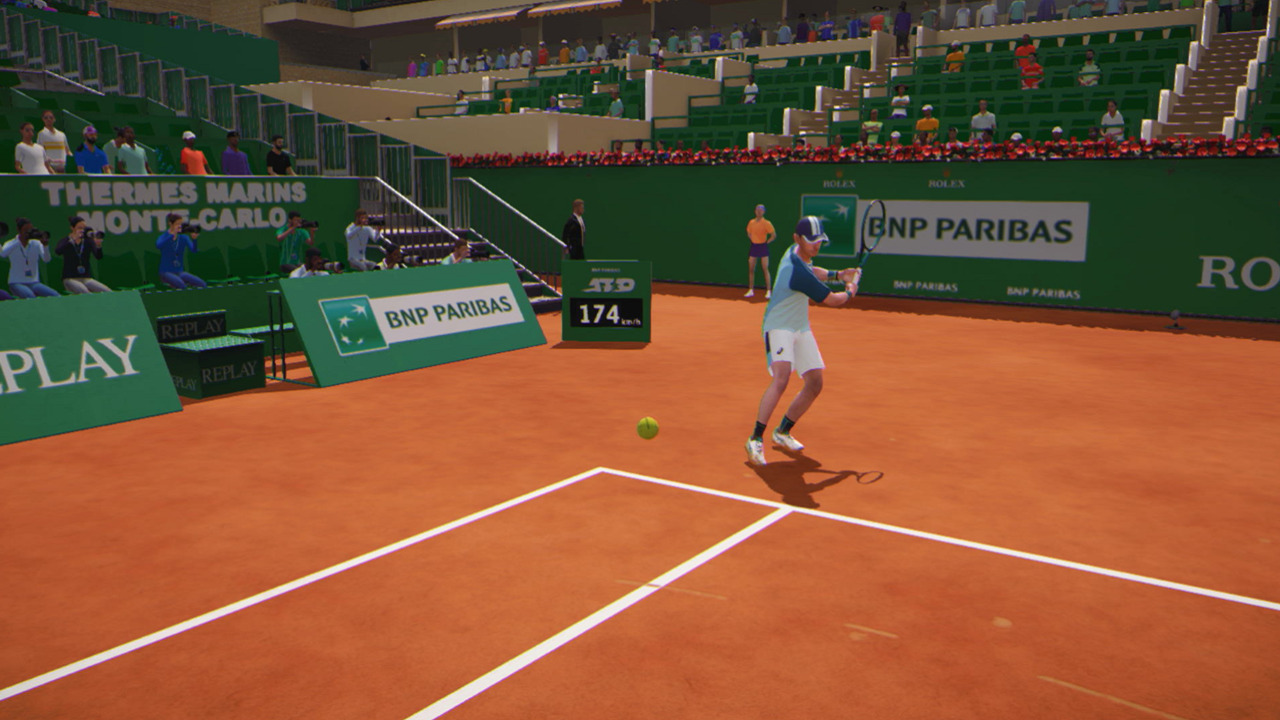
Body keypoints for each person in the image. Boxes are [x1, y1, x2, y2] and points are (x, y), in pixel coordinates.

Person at [745, 216, 862, 467]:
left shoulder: (797, 253)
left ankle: (782, 431)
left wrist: (838, 274)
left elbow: (814, 271)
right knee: (782, 378)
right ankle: (755, 438)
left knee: (815, 382)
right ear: (797, 239)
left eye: (819, 241)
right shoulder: (796, 271)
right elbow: (832, 300)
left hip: (800, 327)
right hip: (778, 326)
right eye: (811, 241)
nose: (816, 245)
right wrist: (851, 289)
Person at [2, 218, 58, 298]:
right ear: (19, 230)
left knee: (55, 295)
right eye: (25, 230)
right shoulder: (11, 243)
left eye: (30, 230)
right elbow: (3, 254)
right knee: (30, 296)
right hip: (16, 282)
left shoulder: (36, 243)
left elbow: (46, 259)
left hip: (34, 282)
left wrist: (45, 246)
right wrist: (19, 241)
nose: (28, 232)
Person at [55, 216, 110, 294]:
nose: (82, 230)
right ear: (72, 228)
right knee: (84, 291)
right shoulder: (66, 241)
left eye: (84, 228)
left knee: (107, 291)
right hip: (70, 278)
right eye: (79, 228)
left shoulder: (88, 241)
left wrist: (98, 245)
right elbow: (58, 251)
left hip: (86, 278)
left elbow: (98, 256)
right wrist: (73, 240)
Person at [156, 214, 205, 289]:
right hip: (166, 272)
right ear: (171, 224)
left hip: (179, 272)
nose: (179, 226)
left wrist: (194, 239)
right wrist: (172, 235)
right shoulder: (164, 236)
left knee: (202, 284)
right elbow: (158, 245)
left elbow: (194, 250)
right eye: (177, 224)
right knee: (181, 285)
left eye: (180, 224)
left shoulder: (184, 237)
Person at [745, 204, 776, 298]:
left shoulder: (767, 223)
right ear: (755, 211)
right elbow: (748, 232)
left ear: (763, 212)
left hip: (763, 246)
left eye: (761, 210)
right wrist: (753, 240)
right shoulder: (751, 222)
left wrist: (766, 243)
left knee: (765, 268)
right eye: (757, 210)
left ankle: (768, 291)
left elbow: (773, 235)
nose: (759, 212)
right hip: (754, 246)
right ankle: (751, 290)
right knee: (751, 268)